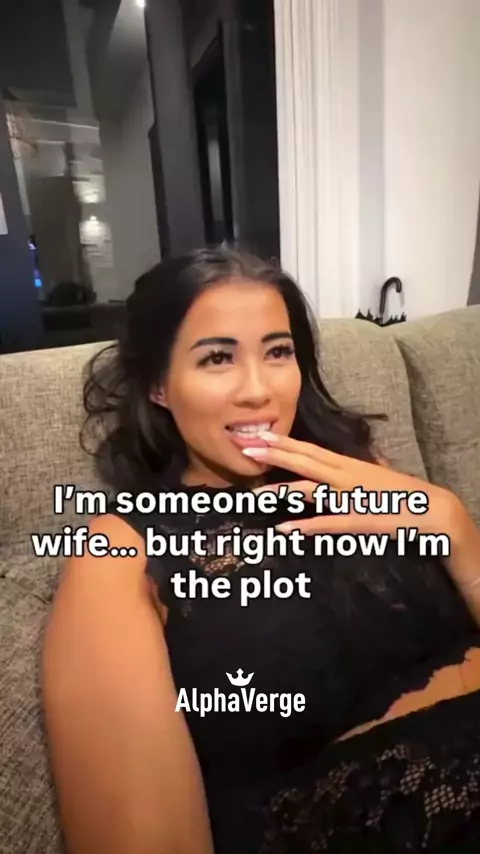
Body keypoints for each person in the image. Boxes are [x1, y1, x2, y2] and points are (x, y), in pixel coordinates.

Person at [42, 246, 480, 854]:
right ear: (160, 386)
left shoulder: (358, 472)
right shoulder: (119, 553)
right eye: (217, 357)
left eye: (278, 352)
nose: (259, 391)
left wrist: (454, 527)